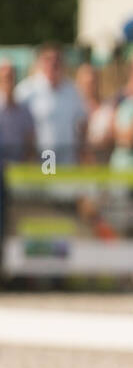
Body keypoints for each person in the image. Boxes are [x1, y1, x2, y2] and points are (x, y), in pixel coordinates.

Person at [13, 42, 86, 167]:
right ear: (40, 62)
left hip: (67, 158)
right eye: (48, 59)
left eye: (57, 59)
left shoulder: (72, 90)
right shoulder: (26, 91)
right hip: (39, 158)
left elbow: (81, 122)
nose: (53, 64)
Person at [1, 60, 37, 276]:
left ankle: (18, 274)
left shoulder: (23, 110)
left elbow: (30, 142)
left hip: (19, 179)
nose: (8, 80)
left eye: (11, 76)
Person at [76, 62, 117, 164]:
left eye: (93, 82)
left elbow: (112, 137)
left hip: (101, 163)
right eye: (86, 83)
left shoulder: (109, 107)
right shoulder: (71, 109)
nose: (89, 86)